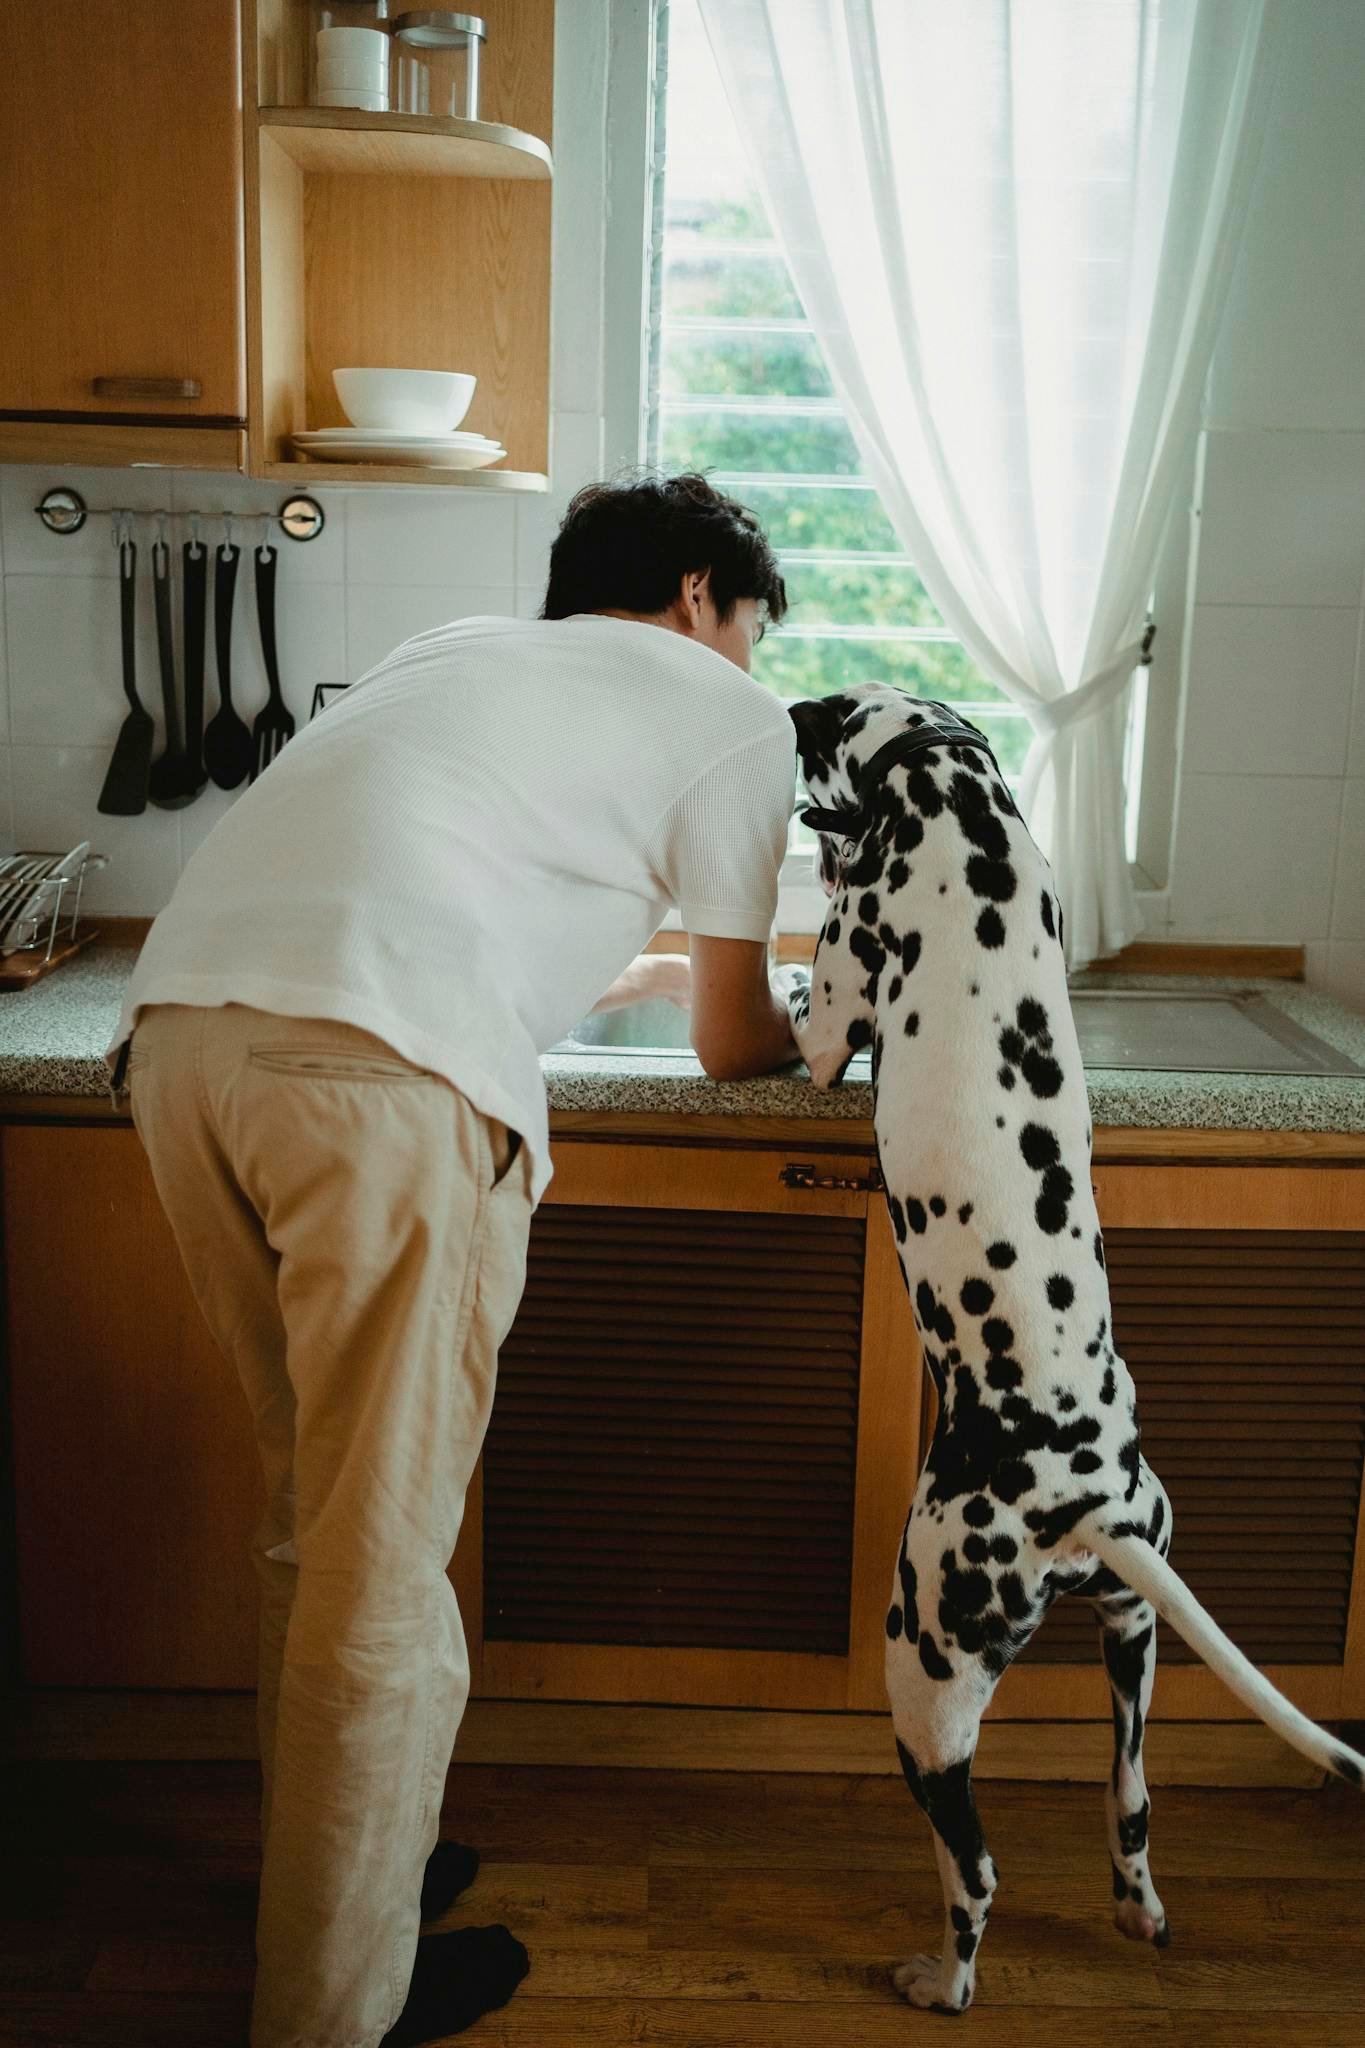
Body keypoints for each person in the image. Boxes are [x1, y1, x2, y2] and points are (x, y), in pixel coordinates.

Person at [109, 470, 801, 2048]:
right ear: (702, 597)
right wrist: (829, 1022)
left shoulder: (454, 652)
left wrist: (615, 967)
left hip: (182, 1045)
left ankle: (352, 1878)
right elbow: (730, 1046)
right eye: (748, 625)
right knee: (378, 1556)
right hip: (371, 1091)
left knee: (314, 1511)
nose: (746, 656)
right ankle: (336, 2008)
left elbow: (430, 885)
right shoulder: (718, 704)